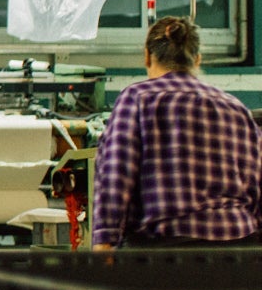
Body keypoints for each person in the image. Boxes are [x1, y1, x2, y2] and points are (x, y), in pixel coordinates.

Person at [91, 16, 262, 249]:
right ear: (198, 59)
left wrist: (105, 239)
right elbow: (256, 183)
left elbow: (116, 173)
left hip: (165, 251)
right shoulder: (236, 108)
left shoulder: (137, 98)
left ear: (147, 56)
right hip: (237, 246)